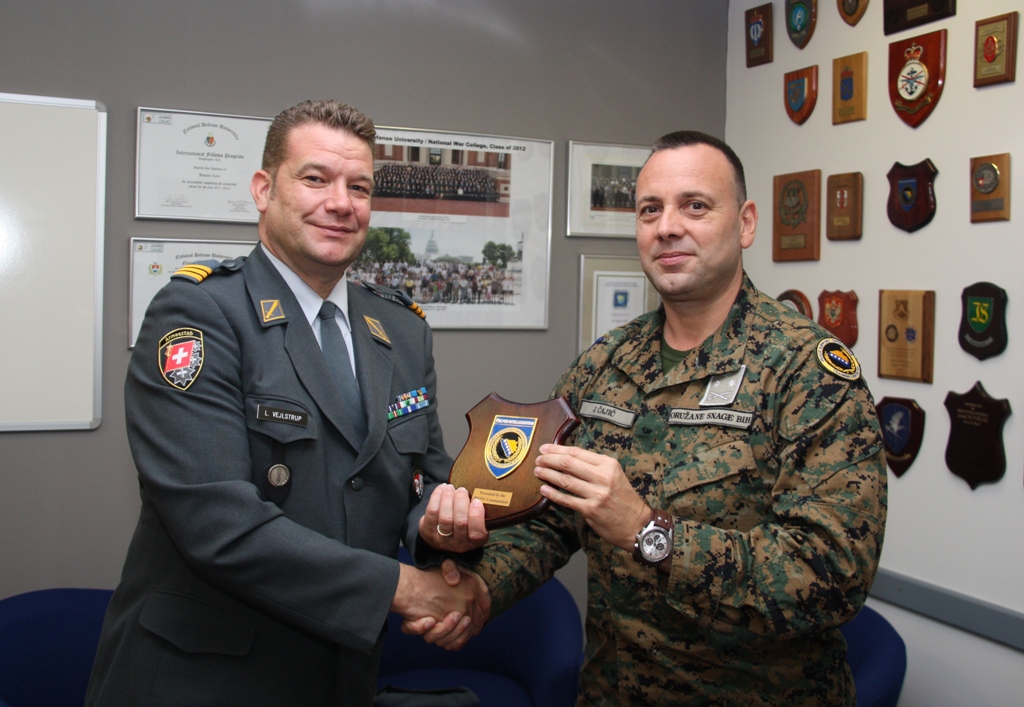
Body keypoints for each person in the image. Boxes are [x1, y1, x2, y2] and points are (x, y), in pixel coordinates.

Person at [461, 131, 887, 705]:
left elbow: (832, 574)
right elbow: (550, 517)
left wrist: (648, 532)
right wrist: (476, 589)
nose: (666, 227)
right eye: (649, 210)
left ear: (745, 223)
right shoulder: (603, 364)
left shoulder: (805, 371)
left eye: (695, 206)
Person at [86, 100, 489, 707]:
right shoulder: (200, 313)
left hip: (341, 674)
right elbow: (217, 524)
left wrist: (442, 532)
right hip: (207, 678)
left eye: (359, 187)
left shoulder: (402, 330)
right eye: (315, 179)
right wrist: (405, 588)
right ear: (263, 189)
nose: (341, 203)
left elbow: (419, 482)